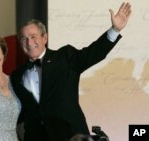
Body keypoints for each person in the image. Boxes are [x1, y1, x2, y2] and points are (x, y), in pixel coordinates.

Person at [10, 2, 131, 141]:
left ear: (45, 38)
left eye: (33, 36)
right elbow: (19, 112)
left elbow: (93, 54)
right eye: (24, 39)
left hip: (71, 135)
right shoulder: (16, 75)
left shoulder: (64, 57)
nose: (29, 43)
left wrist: (114, 30)